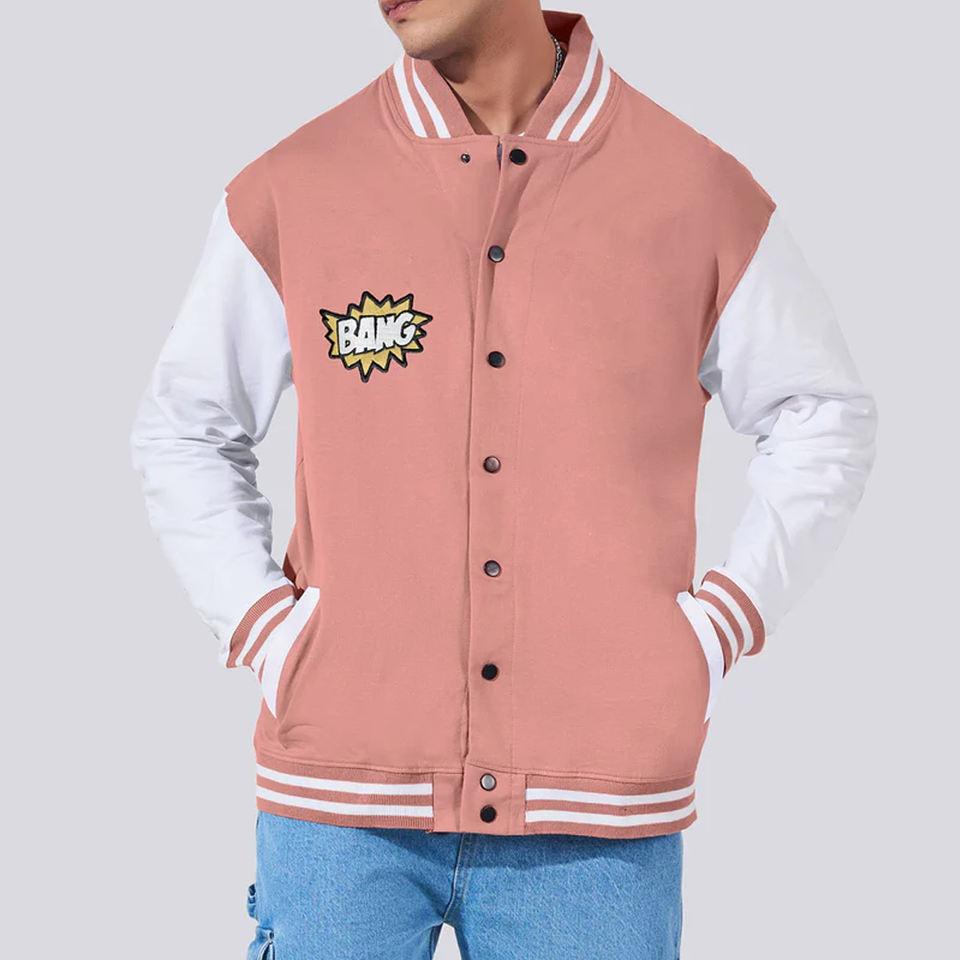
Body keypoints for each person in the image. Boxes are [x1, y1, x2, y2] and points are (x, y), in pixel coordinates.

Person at [129, 2, 878, 957]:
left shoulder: (694, 191)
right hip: (339, 800)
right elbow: (186, 426)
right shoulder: (297, 186)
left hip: (598, 813)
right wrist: (269, 632)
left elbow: (822, 413)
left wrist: (719, 625)